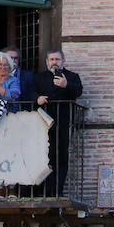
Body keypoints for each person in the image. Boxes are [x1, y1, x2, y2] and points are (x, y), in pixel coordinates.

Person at [32, 49, 84, 196]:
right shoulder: (39, 78)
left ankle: (57, 191)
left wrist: (66, 85)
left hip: (64, 122)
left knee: (61, 157)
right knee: (45, 158)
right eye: (52, 60)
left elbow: (78, 91)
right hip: (43, 123)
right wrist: (37, 98)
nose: (54, 62)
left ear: (63, 61)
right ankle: (43, 191)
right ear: (47, 62)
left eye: (57, 59)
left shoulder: (72, 77)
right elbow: (31, 92)